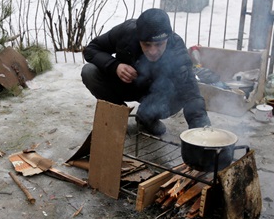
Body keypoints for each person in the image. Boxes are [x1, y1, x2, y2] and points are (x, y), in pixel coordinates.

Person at [81, 8, 211, 136]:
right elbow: (91, 49)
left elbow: (192, 93)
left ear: (168, 39)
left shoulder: (176, 47)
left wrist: (201, 131)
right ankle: (118, 111)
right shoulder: (126, 32)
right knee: (89, 71)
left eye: (159, 44)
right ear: (138, 38)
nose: (153, 51)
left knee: (181, 91)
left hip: (157, 97)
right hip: (127, 85)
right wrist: (115, 66)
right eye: (147, 44)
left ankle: (146, 119)